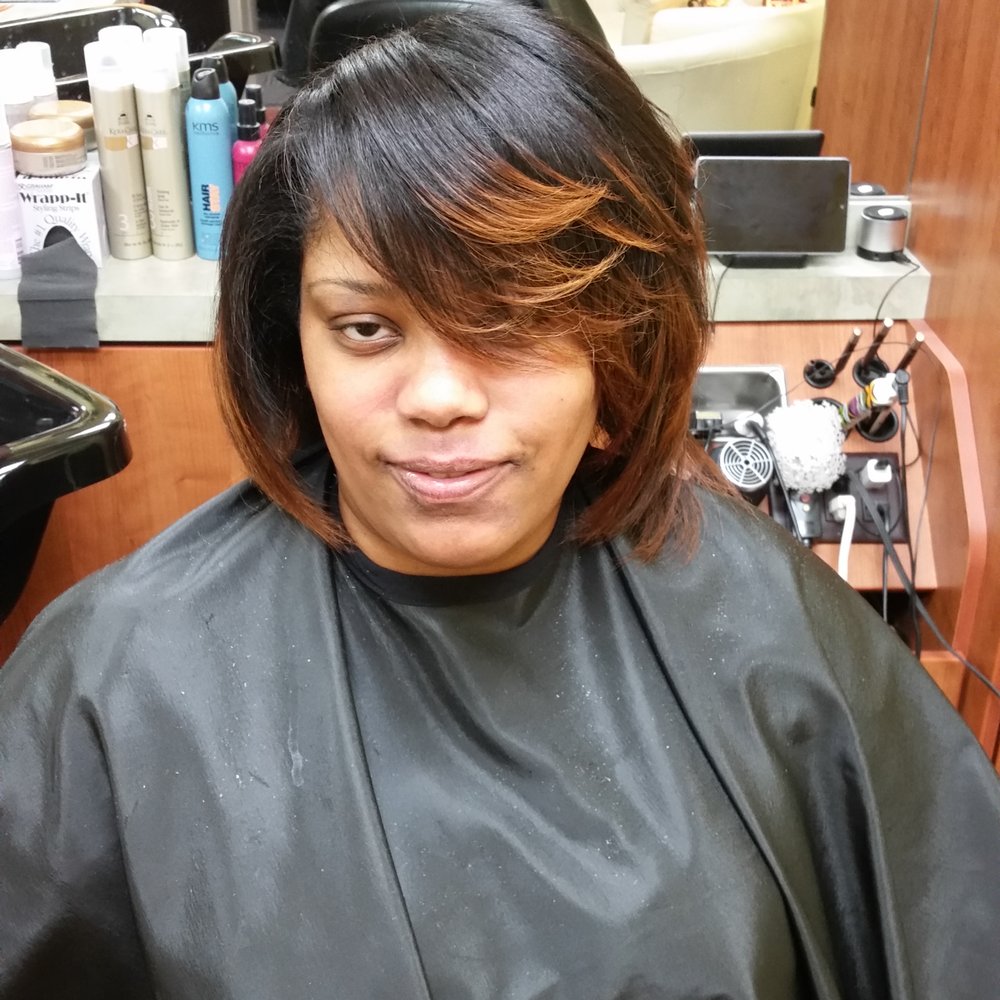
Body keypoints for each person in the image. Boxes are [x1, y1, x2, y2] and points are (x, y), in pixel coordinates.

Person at [0, 7, 997, 999]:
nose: (439, 398)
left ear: (616, 344)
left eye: (511, 321)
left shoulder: (762, 621)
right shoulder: (118, 680)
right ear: (290, 340)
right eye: (366, 328)